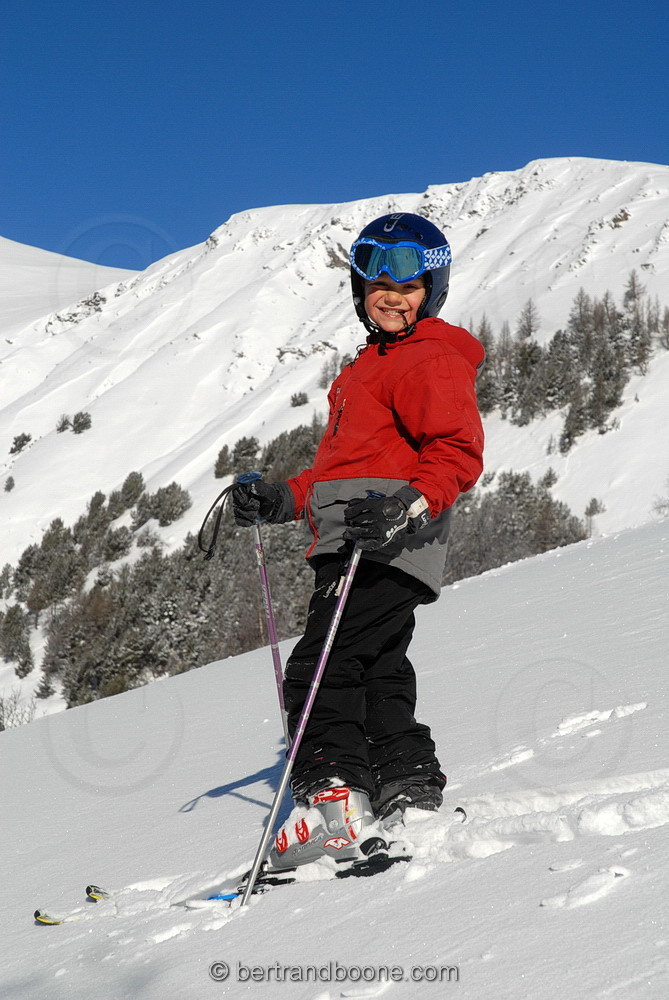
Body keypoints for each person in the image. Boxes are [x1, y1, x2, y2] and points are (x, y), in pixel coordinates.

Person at [232, 212, 484, 870]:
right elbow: (338, 474)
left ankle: (333, 795)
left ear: (433, 288)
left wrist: (404, 505)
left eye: (408, 281)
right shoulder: (367, 368)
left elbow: (455, 452)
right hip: (355, 533)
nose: (392, 292)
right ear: (357, 290)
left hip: (385, 535)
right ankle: (408, 785)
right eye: (377, 282)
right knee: (375, 665)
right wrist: (283, 497)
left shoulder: (428, 358)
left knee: (318, 669)